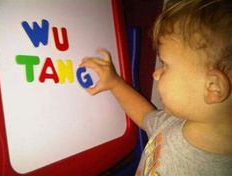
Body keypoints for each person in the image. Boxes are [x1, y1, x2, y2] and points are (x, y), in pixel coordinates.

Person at [80, 0, 232, 175]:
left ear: (212, 87)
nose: (155, 74)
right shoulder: (179, 121)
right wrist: (115, 82)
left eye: (164, 64)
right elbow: (145, 115)